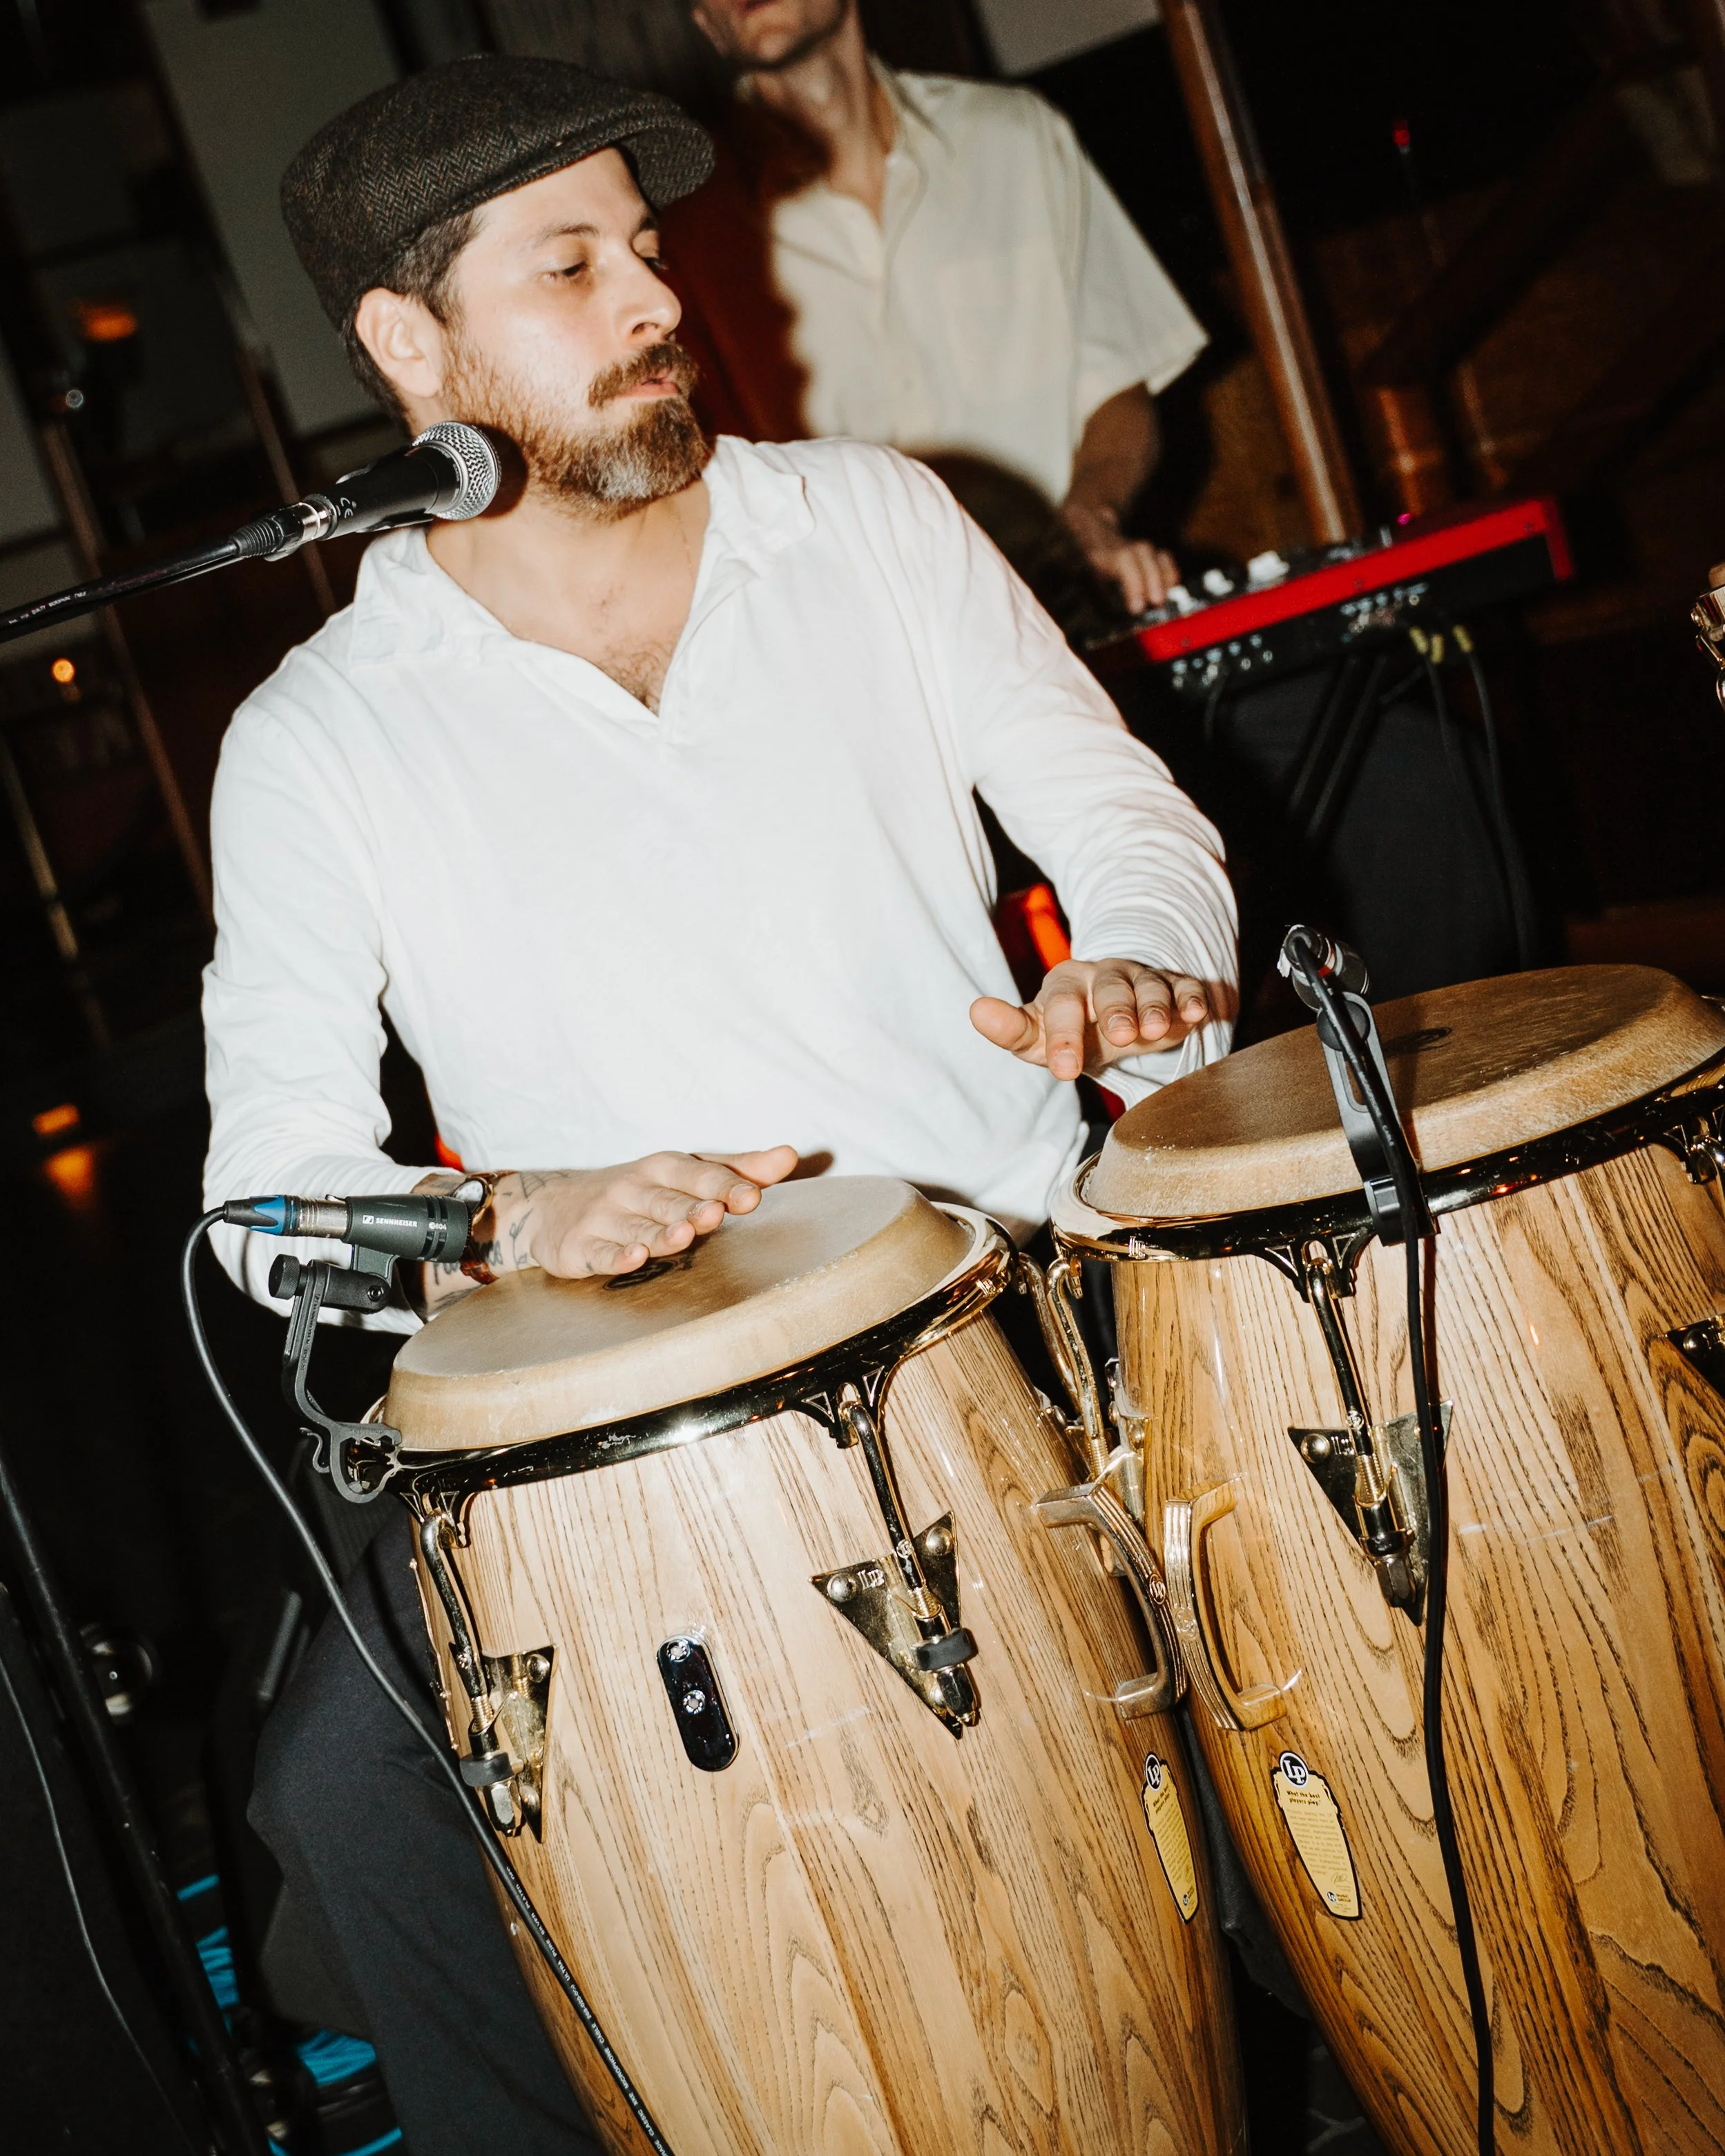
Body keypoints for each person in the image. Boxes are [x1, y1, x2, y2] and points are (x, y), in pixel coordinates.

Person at [206, 55, 1236, 2154]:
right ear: (412, 349)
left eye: (647, 245)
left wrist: (1125, 966)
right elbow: (266, 1196)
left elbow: (1131, 831)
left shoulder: (863, 522)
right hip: (622, 1436)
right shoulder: (318, 737)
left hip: (1019, 1294)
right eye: (568, 264)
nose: (652, 294)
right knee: (344, 1795)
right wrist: (507, 1218)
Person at [662, 0, 1206, 616]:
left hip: (1057, 612)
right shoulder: (692, 235)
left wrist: (1088, 515)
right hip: (860, 649)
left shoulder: (1016, 139)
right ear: (703, 20)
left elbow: (1118, 392)